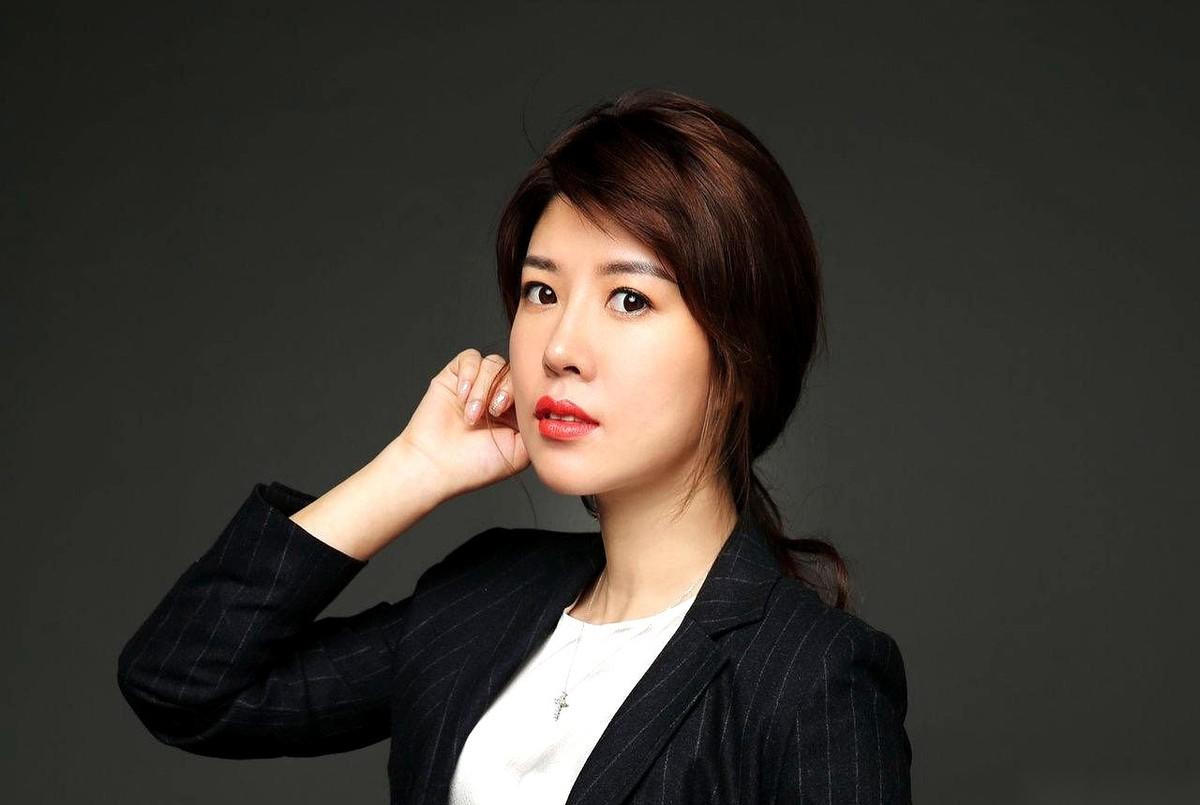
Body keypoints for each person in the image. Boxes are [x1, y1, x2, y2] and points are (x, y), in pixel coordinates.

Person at [117, 88, 912, 804]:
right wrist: (413, 469)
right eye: (542, 290)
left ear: (739, 360)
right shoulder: (482, 598)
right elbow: (183, 682)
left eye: (629, 298)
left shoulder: (808, 675)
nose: (559, 346)